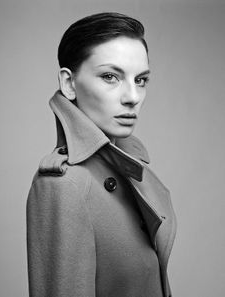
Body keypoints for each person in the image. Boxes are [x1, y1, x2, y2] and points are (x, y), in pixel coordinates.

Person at [27, 12, 177, 297]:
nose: (132, 96)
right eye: (111, 76)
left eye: (141, 80)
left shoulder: (129, 170)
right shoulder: (63, 185)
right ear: (69, 84)